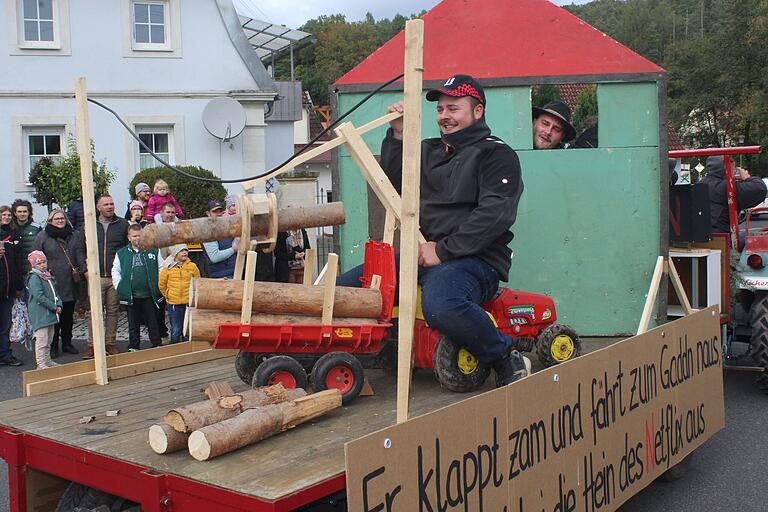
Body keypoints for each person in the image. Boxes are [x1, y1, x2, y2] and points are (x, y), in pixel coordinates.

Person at [339, 74, 529, 387]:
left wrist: (443, 250)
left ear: (477, 111)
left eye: (453, 108)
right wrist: (398, 136)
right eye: (440, 109)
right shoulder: (427, 151)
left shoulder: (496, 154)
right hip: (423, 253)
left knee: (441, 306)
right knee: (347, 290)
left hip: (474, 260)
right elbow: (395, 187)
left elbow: (495, 214)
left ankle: (504, 356)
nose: (444, 116)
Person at [78, 194, 128, 359]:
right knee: (95, 312)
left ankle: (110, 343)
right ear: (98, 207)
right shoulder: (89, 225)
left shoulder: (122, 224)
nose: (110, 207)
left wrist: (123, 272)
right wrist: (84, 270)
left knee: (113, 311)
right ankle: (93, 345)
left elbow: (127, 249)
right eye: (105, 204)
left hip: (114, 276)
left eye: (112, 203)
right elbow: (79, 249)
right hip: (95, 276)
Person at [32, 209, 80, 357]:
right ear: (50, 221)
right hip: (52, 281)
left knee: (67, 316)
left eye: (62, 218)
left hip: (70, 281)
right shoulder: (43, 236)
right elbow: (35, 256)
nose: (60, 220)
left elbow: (79, 252)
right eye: (56, 218)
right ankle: (53, 346)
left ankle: (67, 343)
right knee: (55, 317)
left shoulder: (73, 235)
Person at [112, 224, 163, 351]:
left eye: (140, 236)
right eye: (134, 236)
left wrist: (159, 285)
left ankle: (156, 343)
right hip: (132, 295)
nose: (137, 238)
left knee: (152, 321)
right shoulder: (122, 253)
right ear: (129, 237)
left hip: (149, 294)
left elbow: (161, 267)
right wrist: (119, 286)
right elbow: (115, 271)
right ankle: (134, 345)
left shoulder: (153, 250)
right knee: (133, 323)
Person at [700, 155, 767, 235]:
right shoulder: (727, 187)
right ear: (727, 166)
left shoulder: (700, 185)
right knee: (755, 237)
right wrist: (747, 177)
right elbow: (759, 189)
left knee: (742, 234)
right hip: (723, 237)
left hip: (702, 235)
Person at [25, 251, 62, 369]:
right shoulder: (35, 278)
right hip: (40, 313)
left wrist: (59, 303)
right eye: (39, 263)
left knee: (49, 338)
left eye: (44, 262)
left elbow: (55, 293)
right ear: (33, 265)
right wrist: (54, 306)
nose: (42, 265)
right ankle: (40, 363)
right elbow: (39, 296)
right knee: (42, 339)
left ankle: (47, 360)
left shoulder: (47, 276)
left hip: (50, 313)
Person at [159, 244, 200, 344]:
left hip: (188, 303)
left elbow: (198, 281)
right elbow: (161, 284)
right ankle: (175, 349)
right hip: (174, 303)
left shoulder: (192, 266)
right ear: (175, 253)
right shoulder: (167, 268)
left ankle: (187, 350)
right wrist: (168, 295)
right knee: (176, 330)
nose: (185, 252)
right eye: (181, 251)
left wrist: (193, 297)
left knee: (187, 329)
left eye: (186, 250)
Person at [0, 206, 23, 366]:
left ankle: (5, 354)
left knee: (6, 325)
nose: (7, 217)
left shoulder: (13, 235)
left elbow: (16, 263)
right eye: (3, 214)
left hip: (7, 287)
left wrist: (17, 286)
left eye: (9, 214)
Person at [202, 199, 238, 278]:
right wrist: (233, 249)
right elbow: (215, 257)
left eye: (220, 211)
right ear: (208, 213)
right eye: (215, 212)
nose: (218, 214)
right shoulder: (207, 231)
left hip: (234, 273)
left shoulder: (227, 228)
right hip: (219, 276)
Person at [11, 199, 41, 274]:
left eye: (25, 211)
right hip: (14, 271)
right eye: (19, 212)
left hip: (32, 270)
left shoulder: (37, 228)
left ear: (29, 213)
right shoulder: (10, 228)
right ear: (15, 213)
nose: (22, 214)